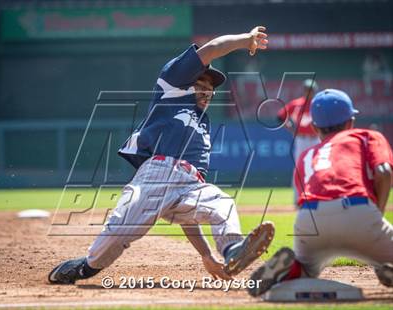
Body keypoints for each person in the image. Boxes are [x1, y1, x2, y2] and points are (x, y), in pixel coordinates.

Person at [48, 26, 275, 285]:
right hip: (155, 176)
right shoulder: (172, 86)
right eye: (200, 83)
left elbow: (186, 217)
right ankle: (85, 268)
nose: (207, 91)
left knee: (222, 204)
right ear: (186, 80)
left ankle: (232, 250)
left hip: (190, 184)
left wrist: (206, 255)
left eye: (210, 88)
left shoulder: (203, 126)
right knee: (117, 236)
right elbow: (212, 49)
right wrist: (244, 40)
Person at [249, 89, 393, 296]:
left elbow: (302, 197)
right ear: (351, 122)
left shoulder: (307, 154)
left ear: (315, 127)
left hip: (310, 219)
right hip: (358, 211)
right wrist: (376, 215)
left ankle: (292, 269)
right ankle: (385, 265)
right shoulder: (366, 136)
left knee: (307, 269)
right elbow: (384, 172)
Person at [277, 79, 320, 205]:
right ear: (304, 90)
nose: (309, 91)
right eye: (307, 89)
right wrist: (291, 129)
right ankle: (297, 200)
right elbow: (280, 117)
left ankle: (317, 197)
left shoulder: (318, 104)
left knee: (317, 168)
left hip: (316, 139)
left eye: (311, 89)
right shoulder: (297, 104)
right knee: (299, 167)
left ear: (314, 90)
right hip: (301, 139)